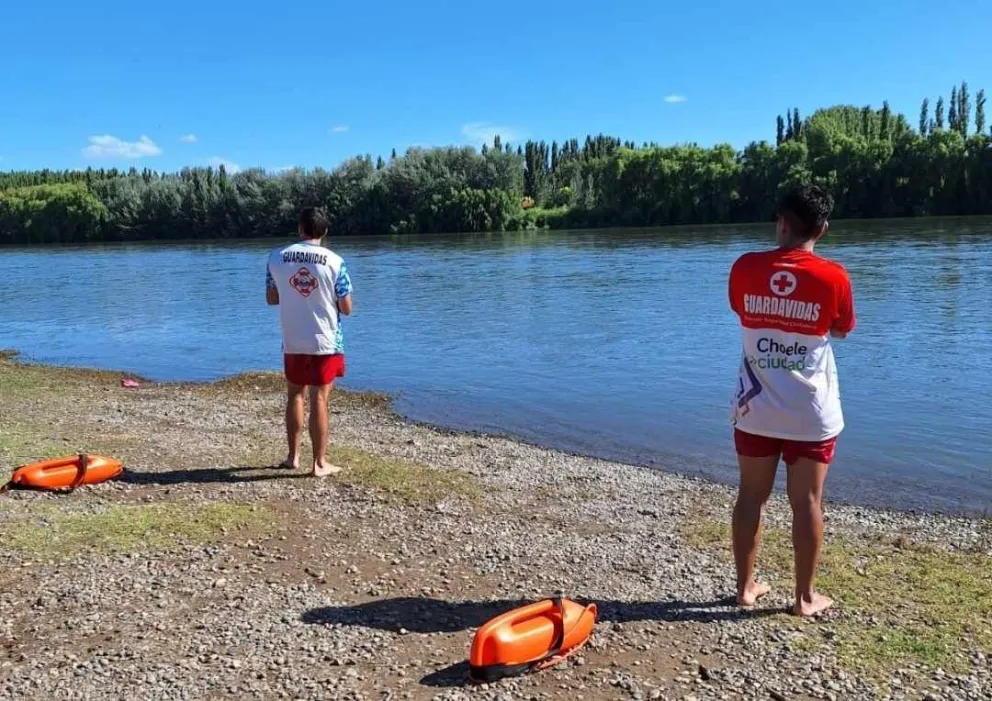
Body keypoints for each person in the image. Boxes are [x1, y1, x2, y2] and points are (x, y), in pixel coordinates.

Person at [727, 183, 855, 617]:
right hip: (810, 412)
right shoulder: (834, 276)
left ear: (781, 222)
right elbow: (841, 329)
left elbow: (743, 312)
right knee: (807, 503)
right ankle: (804, 599)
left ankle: (745, 588)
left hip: (755, 407)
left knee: (750, 496)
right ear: (823, 228)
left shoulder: (744, 268)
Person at [265, 206, 353, 477]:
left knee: (295, 395)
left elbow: (272, 298)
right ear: (324, 232)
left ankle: (293, 457)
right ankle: (319, 463)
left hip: (292, 338)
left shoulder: (276, 258)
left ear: (300, 229)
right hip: (325, 339)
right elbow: (346, 307)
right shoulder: (335, 261)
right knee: (320, 398)